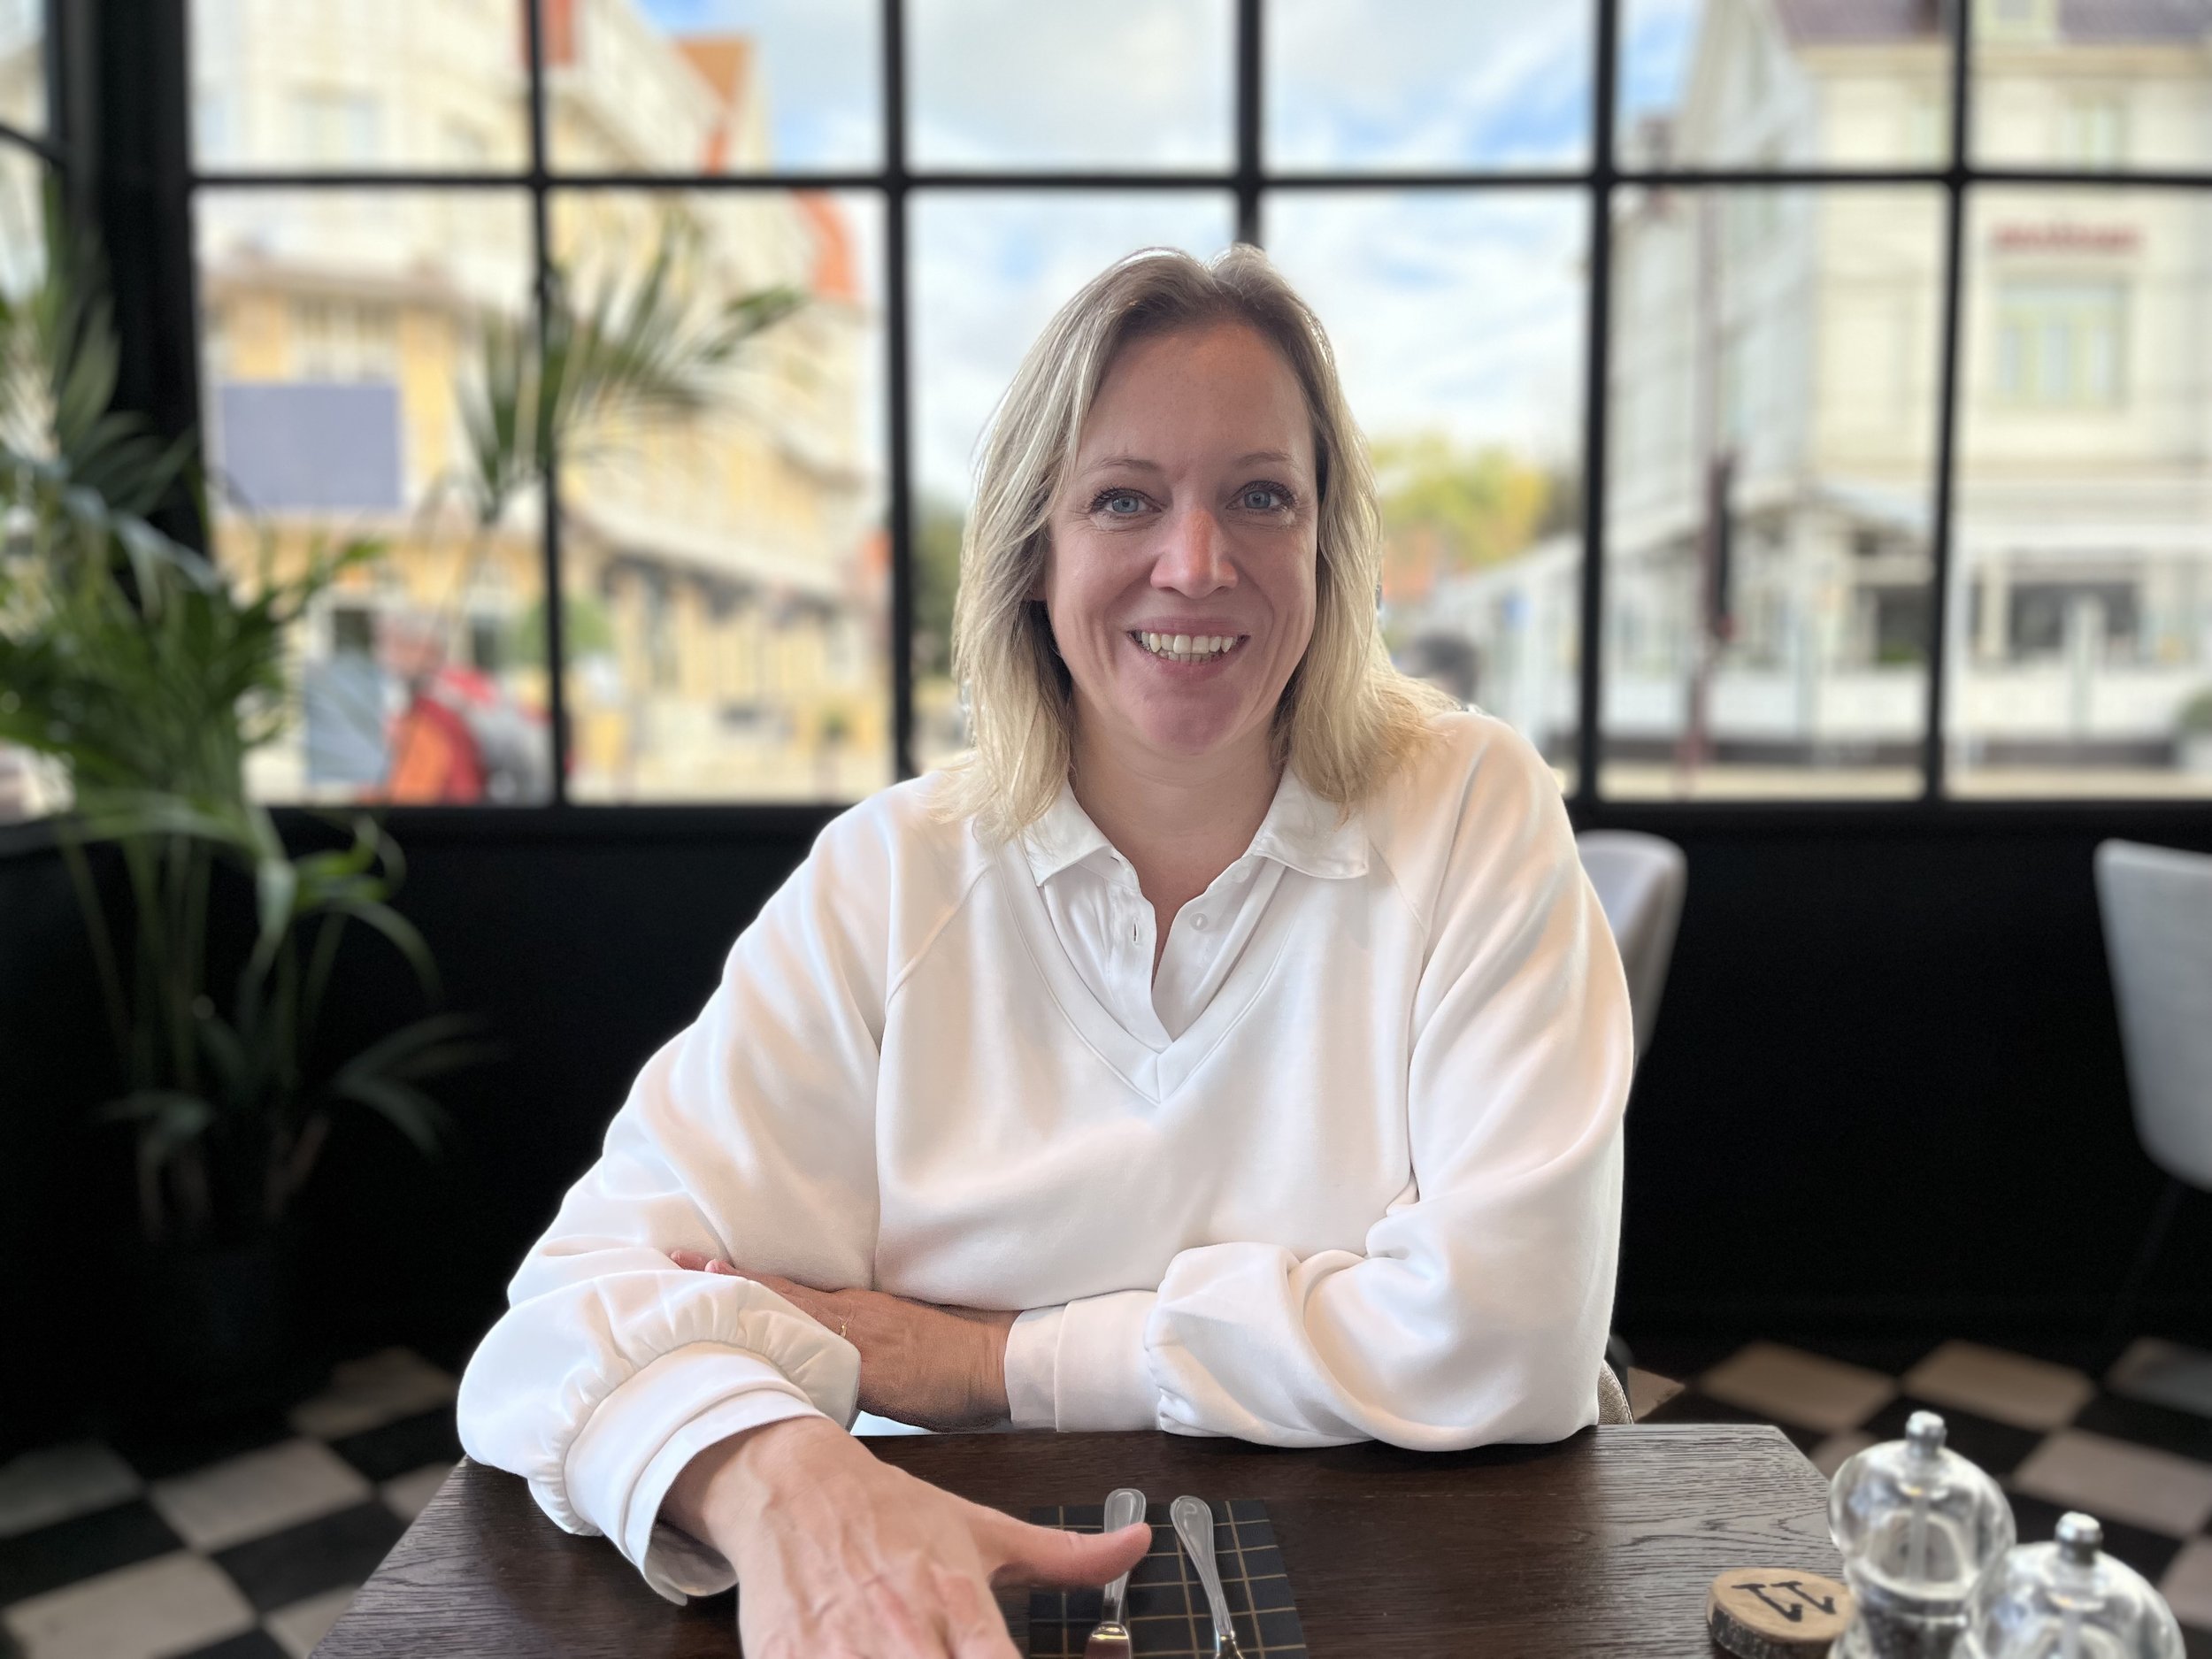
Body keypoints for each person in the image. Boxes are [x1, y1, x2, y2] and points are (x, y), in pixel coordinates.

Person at [457, 245, 1633, 1658]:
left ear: (1328, 542)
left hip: (1409, 1597)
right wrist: (775, 1480)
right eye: (1123, 499)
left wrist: (989, 1362)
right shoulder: (891, 875)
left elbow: (1515, 1339)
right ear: (1033, 551)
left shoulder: (1472, 806)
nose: (1196, 564)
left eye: (1261, 495)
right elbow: (564, 1320)